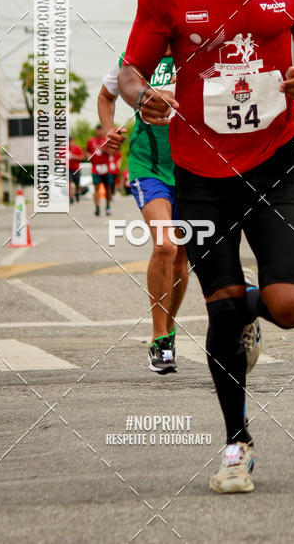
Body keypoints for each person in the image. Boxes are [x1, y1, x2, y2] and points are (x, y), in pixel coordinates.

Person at [118, 0, 294, 494]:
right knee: (223, 309)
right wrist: (141, 98)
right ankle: (237, 445)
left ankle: (247, 318)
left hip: (273, 161)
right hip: (200, 172)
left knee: (288, 307)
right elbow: (130, 69)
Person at [98, 50, 188, 374]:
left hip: (190, 169)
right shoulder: (134, 56)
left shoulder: (196, 50)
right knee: (165, 245)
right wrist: (109, 128)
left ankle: (170, 326)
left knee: (181, 259)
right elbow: (106, 96)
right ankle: (158, 337)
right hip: (148, 167)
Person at [85, 124, 113, 216]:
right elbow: (87, 151)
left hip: (106, 168)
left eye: (101, 130)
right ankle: (97, 207)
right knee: (96, 188)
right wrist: (89, 156)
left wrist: (103, 150)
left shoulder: (106, 141)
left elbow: (112, 152)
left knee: (107, 189)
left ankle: (108, 206)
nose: (99, 132)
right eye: (98, 130)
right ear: (96, 131)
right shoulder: (91, 141)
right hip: (95, 168)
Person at [68, 136, 85, 203]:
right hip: (68, 169)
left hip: (76, 169)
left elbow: (82, 157)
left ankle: (77, 193)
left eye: (70, 141)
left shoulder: (77, 148)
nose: (69, 143)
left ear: (73, 141)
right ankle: (71, 197)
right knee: (69, 182)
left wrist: (73, 157)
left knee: (77, 183)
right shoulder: (64, 149)